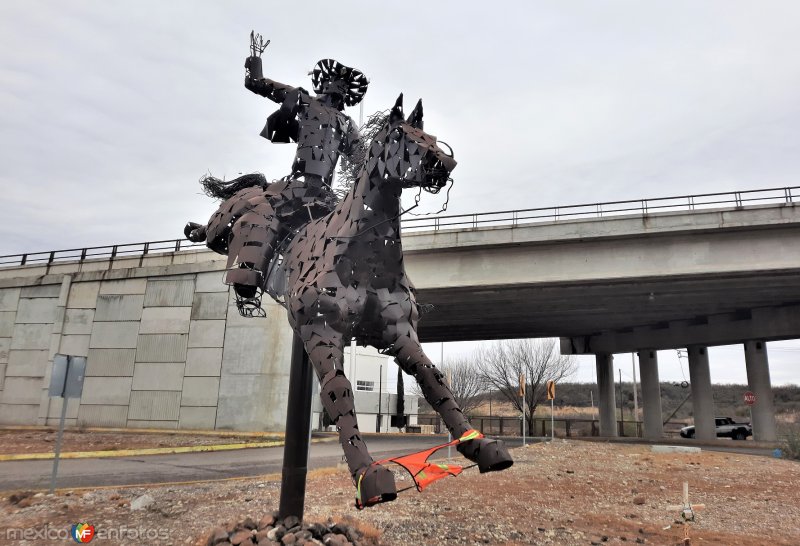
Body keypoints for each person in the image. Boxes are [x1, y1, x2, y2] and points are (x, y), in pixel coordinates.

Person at [219, 49, 369, 305]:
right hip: (297, 185)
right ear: (324, 84)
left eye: (343, 86)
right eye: (336, 82)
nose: (339, 89)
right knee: (262, 215)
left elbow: (360, 162)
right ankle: (247, 273)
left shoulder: (346, 125)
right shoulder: (304, 101)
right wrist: (255, 67)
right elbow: (259, 84)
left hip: (324, 194)